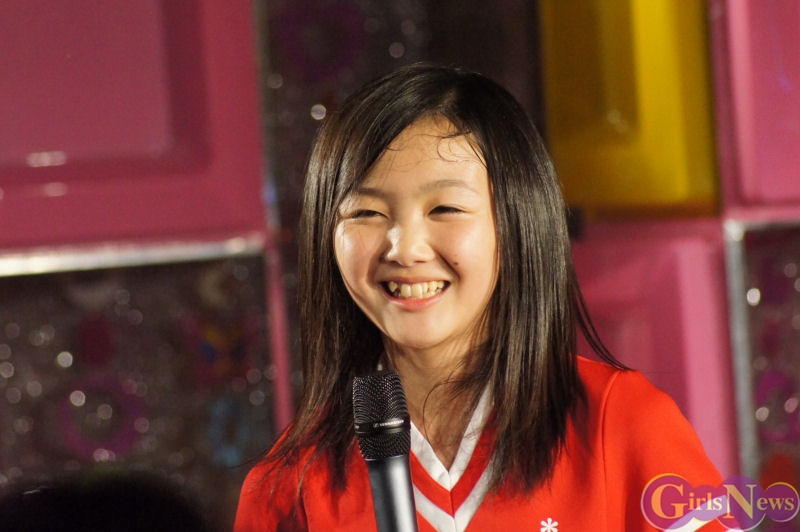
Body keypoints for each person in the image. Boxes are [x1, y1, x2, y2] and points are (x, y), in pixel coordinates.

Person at [234, 63, 728, 531]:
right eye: (366, 213)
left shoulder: (621, 422)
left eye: (445, 208)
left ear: (516, 223)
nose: (404, 249)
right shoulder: (288, 488)